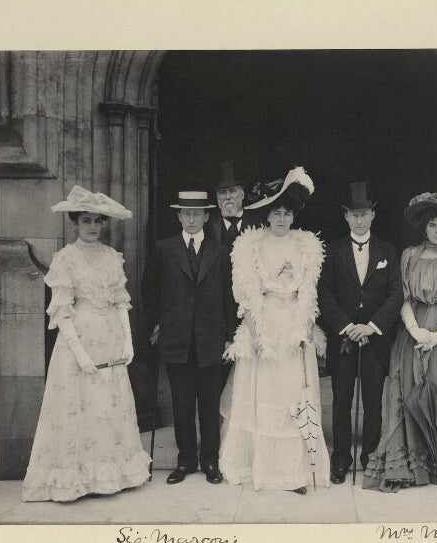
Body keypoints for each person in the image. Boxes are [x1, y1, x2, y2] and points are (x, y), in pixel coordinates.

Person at [22, 185, 151, 502]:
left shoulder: (111, 257)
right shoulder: (65, 259)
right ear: (76, 224)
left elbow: (120, 302)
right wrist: (79, 354)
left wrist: (129, 342)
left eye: (97, 221)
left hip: (110, 337)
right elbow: (62, 311)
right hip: (79, 339)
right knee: (79, 408)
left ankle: (109, 476)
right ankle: (76, 479)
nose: (93, 227)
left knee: (107, 407)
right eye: (86, 221)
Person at [219, 167, 330, 494]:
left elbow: (309, 294)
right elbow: (246, 297)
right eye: (276, 213)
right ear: (267, 216)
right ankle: (262, 469)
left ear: (293, 216)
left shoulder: (306, 245)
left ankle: (295, 472)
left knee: (294, 396)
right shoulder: (251, 245)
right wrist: (255, 334)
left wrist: (307, 328)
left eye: (287, 213)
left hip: (294, 326)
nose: (282, 219)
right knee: (266, 395)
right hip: (264, 326)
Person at [363, 192, 437, 492]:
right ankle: (412, 467)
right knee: (407, 389)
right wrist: (414, 329)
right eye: (432, 225)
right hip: (412, 331)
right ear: (424, 227)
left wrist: (436, 336)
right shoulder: (409, 256)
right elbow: (401, 297)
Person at [140, 190, 235, 485]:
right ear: (179, 216)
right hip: (177, 340)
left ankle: (210, 461)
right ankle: (186, 461)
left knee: (209, 404)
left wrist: (229, 335)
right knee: (181, 404)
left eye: (197, 214)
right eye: (186, 214)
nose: (192, 219)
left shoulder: (220, 251)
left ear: (206, 217)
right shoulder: (164, 248)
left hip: (211, 340)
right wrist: (159, 323)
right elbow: (148, 290)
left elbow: (230, 298)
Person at [318, 181, 403, 484]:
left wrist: (372, 326)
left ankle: (371, 458)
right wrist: (348, 327)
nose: (359, 220)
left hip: (375, 339)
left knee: (373, 403)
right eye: (354, 215)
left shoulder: (387, 250)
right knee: (341, 401)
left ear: (372, 215)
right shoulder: (332, 250)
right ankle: (341, 459)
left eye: (364, 214)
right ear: (346, 217)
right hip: (344, 338)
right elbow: (325, 294)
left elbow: (396, 293)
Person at [205, 160, 263, 390]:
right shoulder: (206, 227)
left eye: (232, 191)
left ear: (242, 194)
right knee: (216, 379)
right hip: (216, 314)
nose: (227, 197)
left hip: (250, 311)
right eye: (222, 193)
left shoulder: (260, 226)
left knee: (251, 378)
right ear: (216, 197)